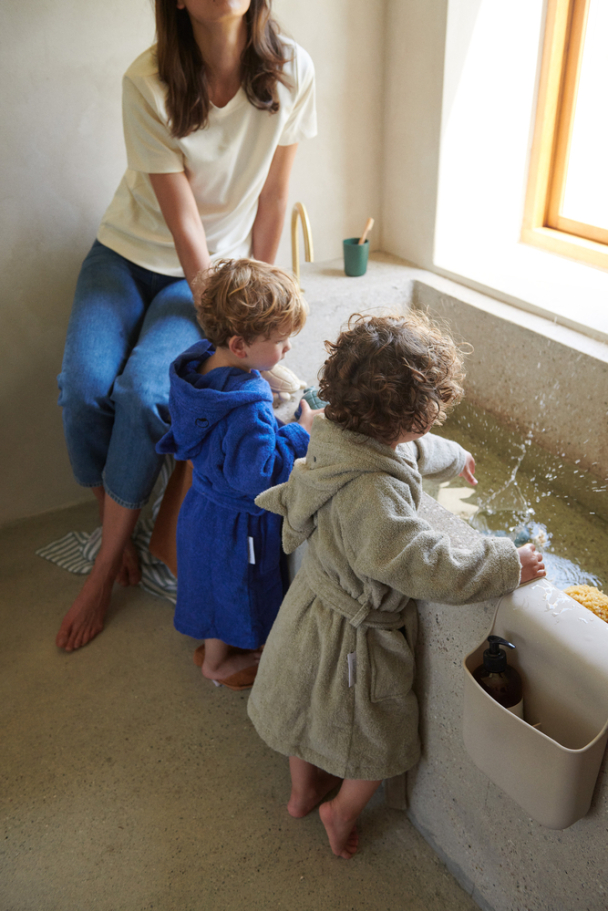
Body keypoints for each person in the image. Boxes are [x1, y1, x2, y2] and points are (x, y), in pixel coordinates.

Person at [55, 0, 316, 651]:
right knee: (82, 388)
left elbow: (276, 196)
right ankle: (111, 523)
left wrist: (255, 302)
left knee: (145, 394)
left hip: (213, 273)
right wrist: (227, 307)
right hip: (126, 256)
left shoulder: (292, 73)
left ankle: (100, 570)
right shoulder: (147, 81)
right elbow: (184, 225)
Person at [247, 312, 546, 859]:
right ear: (407, 421)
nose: (425, 432)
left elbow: (413, 451)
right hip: (356, 642)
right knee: (377, 738)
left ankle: (302, 791)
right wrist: (506, 563)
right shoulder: (372, 497)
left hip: (312, 610)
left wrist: (456, 457)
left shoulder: (341, 431)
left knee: (302, 707)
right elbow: (423, 563)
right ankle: (338, 812)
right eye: (425, 420)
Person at [156, 258, 320, 688]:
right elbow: (261, 473)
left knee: (213, 586)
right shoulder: (246, 401)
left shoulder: (197, 369)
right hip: (238, 525)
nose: (287, 351)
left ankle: (214, 651)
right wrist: (300, 434)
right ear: (240, 345)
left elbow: (227, 444)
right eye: (281, 342)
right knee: (241, 591)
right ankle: (221, 664)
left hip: (201, 507)